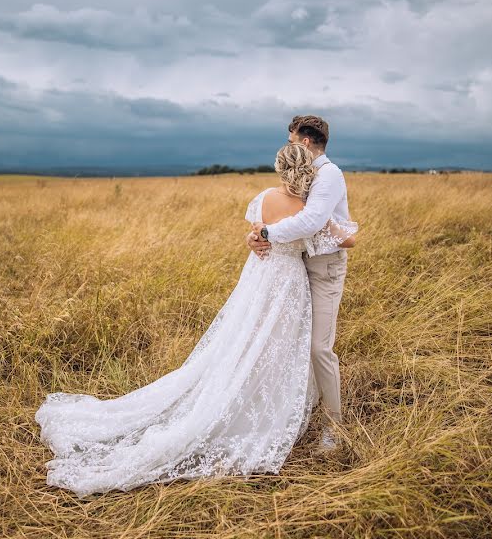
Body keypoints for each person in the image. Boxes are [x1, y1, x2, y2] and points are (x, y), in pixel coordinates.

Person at [34, 142, 358, 498]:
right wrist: (325, 224)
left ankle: (247, 395)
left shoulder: (264, 197)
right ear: (306, 171)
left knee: (247, 340)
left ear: (279, 168)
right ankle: (268, 404)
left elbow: (256, 231)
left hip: (262, 278)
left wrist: (257, 236)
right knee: (280, 345)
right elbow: (343, 238)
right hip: (291, 283)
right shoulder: (309, 210)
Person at [246, 115, 351, 452]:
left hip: (323, 269)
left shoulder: (329, 174)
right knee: (290, 343)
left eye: (291, 139)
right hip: (294, 267)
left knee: (319, 347)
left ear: (304, 141)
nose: (289, 144)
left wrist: (267, 234)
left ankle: (334, 430)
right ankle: (290, 412)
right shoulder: (303, 177)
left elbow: (312, 221)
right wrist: (257, 238)